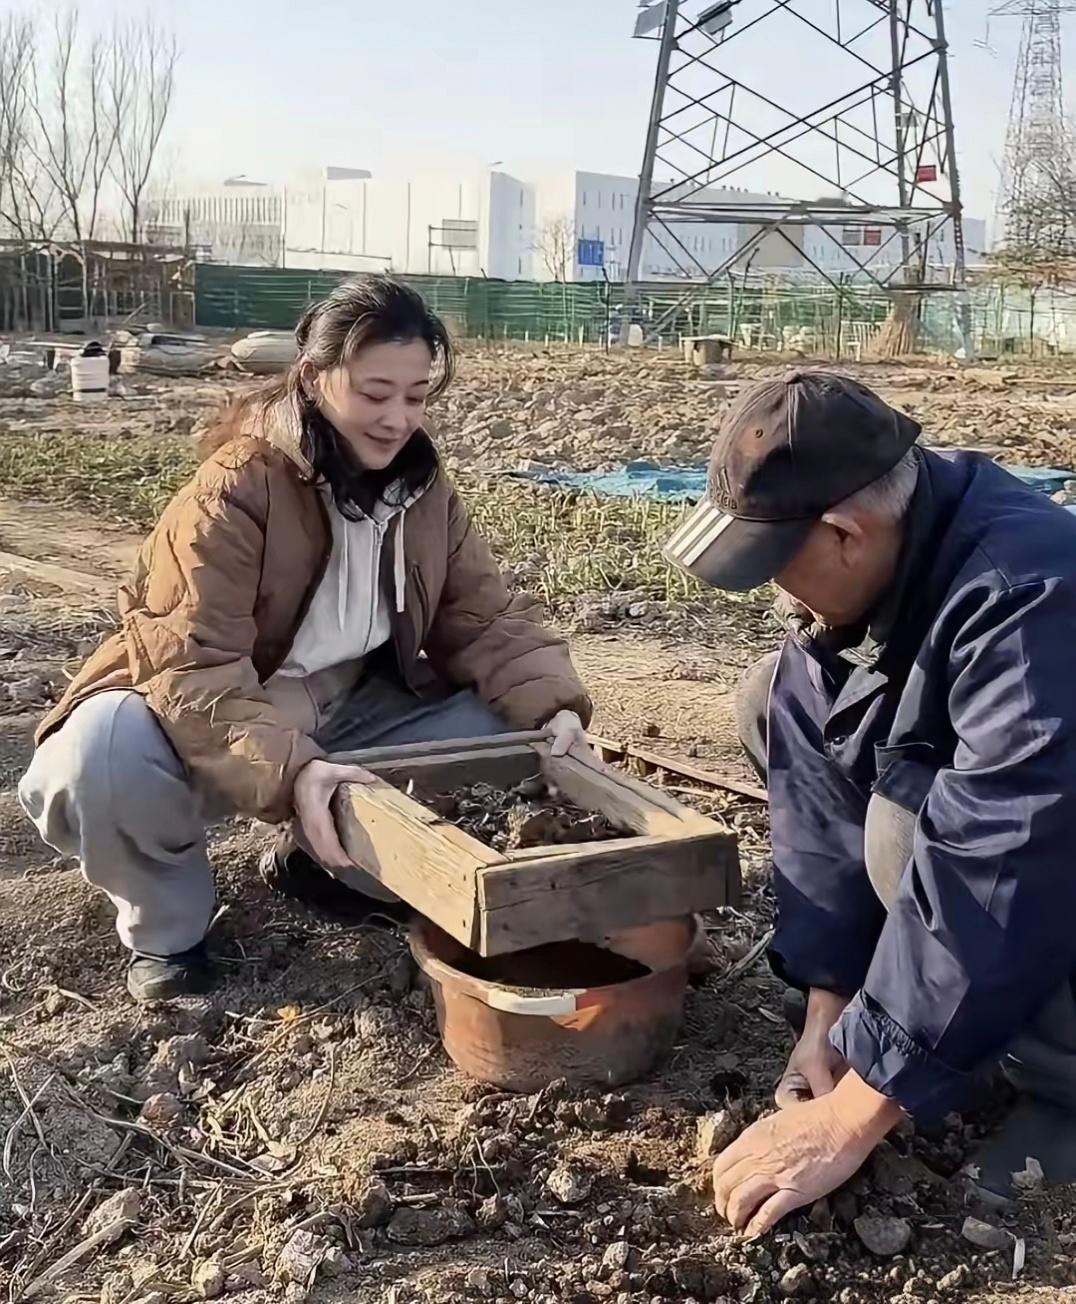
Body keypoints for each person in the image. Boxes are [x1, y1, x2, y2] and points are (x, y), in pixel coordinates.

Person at [20, 275, 593, 1003]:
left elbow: (484, 617)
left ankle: (326, 868)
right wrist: (296, 772)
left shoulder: (421, 491)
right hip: (218, 709)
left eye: (415, 396)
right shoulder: (235, 490)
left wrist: (553, 709)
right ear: (316, 378)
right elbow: (192, 664)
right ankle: (169, 932)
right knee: (100, 755)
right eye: (374, 393)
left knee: (511, 738)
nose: (396, 419)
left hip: (353, 707)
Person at [664, 370, 1076, 1235]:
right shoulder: (898, 545)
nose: (778, 593)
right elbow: (817, 791)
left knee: (904, 829)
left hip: (1043, 845)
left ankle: (1059, 1082)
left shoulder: (1030, 596)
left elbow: (1004, 856)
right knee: (773, 695)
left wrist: (849, 1119)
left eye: (777, 566)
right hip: (1022, 858)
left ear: (846, 533)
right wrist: (834, 1003)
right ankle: (946, 1036)